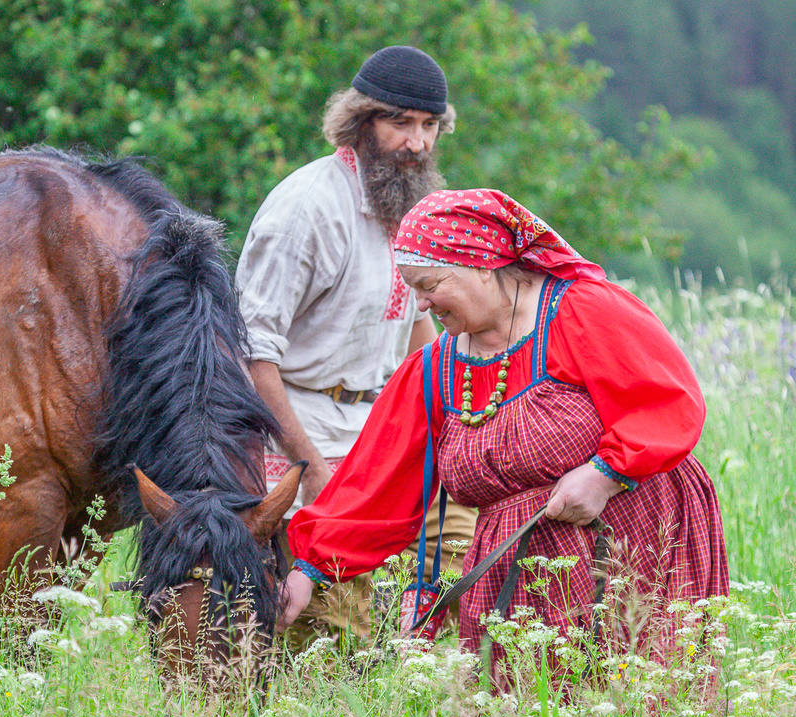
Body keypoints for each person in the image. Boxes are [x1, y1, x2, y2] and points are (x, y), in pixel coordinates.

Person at [279, 188, 730, 674]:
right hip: (516, 578)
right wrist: (308, 569)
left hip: (632, 540)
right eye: (414, 290)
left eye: (429, 284)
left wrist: (605, 474)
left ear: (481, 264)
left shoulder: (581, 310)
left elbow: (665, 400)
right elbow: (375, 484)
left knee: (639, 707)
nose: (423, 305)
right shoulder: (433, 371)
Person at [235, 45, 477, 649]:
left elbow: (416, 326)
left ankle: (414, 696)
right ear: (360, 123)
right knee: (333, 635)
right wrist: (313, 473)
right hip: (303, 431)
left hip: (384, 430)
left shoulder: (408, 209)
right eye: (400, 123)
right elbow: (250, 356)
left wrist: (466, 423)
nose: (417, 143)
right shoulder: (305, 209)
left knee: (461, 571)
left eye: (429, 126)